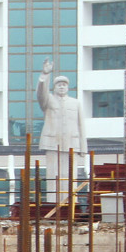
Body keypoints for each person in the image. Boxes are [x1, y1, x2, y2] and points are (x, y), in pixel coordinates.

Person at [36, 59, 88, 206]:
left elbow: (81, 125)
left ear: (68, 87)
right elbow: (41, 94)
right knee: (54, 175)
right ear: (54, 87)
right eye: (59, 85)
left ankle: (71, 203)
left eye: (64, 85)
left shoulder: (75, 103)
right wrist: (44, 75)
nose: (61, 87)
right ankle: (53, 202)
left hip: (72, 143)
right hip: (53, 142)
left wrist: (83, 148)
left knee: (70, 175)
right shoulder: (49, 100)